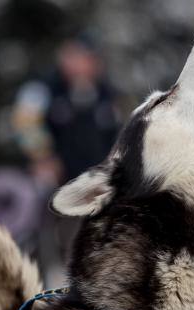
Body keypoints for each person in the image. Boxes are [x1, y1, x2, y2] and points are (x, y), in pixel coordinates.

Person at [12, 35, 119, 270]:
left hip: (94, 176)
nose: (81, 64)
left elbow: (116, 131)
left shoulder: (105, 92)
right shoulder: (43, 88)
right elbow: (24, 123)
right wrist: (42, 156)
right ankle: (41, 267)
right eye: (74, 57)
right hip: (55, 177)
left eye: (87, 59)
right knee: (40, 205)